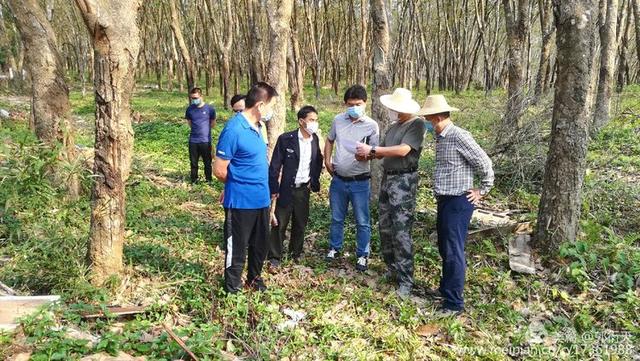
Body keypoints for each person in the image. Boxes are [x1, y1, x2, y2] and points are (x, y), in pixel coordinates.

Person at [416, 95, 494, 316]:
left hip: (459, 200)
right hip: (444, 199)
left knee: (453, 250)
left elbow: (484, 162)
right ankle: (446, 289)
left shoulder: (459, 136)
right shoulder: (441, 137)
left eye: (429, 120)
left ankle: (453, 303)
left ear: (439, 117)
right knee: (444, 246)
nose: (427, 124)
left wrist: (483, 189)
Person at [355, 88, 424, 298]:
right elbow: (381, 150)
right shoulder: (393, 127)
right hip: (388, 178)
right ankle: (392, 269)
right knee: (385, 226)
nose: (393, 111)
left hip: (404, 180)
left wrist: (374, 151)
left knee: (401, 230)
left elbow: (403, 150)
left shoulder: (416, 124)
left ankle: (406, 279)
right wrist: (365, 154)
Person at [213, 82, 278, 293]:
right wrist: (235, 185)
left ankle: (254, 279)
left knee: (260, 245)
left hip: (261, 198)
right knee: (237, 246)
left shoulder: (258, 127)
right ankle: (233, 287)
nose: (272, 111)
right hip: (241, 200)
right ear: (260, 105)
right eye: (271, 106)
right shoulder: (234, 129)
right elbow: (220, 170)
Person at [324, 85, 379, 271]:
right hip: (339, 179)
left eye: (358, 104)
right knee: (336, 217)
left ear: (365, 103)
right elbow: (330, 140)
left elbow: (375, 152)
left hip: (360, 181)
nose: (354, 107)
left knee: (362, 220)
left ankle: (363, 254)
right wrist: (327, 160)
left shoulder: (372, 125)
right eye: (350, 104)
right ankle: (334, 247)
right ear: (345, 104)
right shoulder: (338, 120)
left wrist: (366, 155)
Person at [267, 106, 323, 267]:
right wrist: (274, 188)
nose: (314, 123)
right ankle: (274, 257)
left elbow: (317, 160)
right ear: (301, 121)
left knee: (300, 222)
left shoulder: (315, 139)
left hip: (303, 189)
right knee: (280, 223)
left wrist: (315, 180)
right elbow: (275, 165)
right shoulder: (286, 139)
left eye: (316, 120)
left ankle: (295, 253)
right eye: (311, 120)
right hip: (286, 188)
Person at [185, 87, 217, 184]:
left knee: (207, 162)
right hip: (193, 140)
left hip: (205, 141)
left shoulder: (210, 109)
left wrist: (205, 131)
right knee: (193, 162)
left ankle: (209, 180)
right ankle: (194, 180)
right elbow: (190, 123)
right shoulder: (189, 109)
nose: (194, 100)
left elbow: (213, 123)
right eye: (192, 98)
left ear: (201, 96)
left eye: (196, 98)